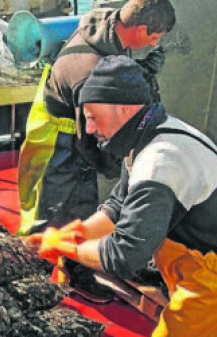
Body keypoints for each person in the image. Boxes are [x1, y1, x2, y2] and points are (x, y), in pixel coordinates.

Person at [26, 56, 217, 337]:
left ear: (124, 109)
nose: (88, 129)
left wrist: (68, 248)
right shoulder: (149, 132)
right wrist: (76, 232)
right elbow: (118, 205)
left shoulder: (160, 163)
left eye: (92, 116)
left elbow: (124, 255)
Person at [17, 0, 176, 235]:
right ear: (140, 30)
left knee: (83, 209)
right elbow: (89, 139)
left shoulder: (105, 23)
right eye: (155, 38)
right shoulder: (90, 75)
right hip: (59, 143)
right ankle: (38, 261)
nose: (156, 44)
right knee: (51, 219)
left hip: (73, 118)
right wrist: (119, 168)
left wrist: (139, 69)